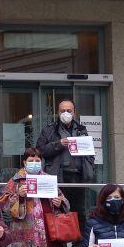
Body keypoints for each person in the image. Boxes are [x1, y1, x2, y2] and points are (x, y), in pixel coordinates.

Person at [35, 99, 95, 231]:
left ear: (74, 112)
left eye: (69, 111)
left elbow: (90, 152)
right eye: (63, 111)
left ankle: (78, 244)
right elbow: (40, 151)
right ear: (58, 112)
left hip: (78, 177)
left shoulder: (81, 130)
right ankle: (59, 243)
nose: (66, 113)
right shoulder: (49, 130)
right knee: (56, 209)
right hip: (57, 178)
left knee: (79, 211)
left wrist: (90, 166)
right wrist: (58, 144)